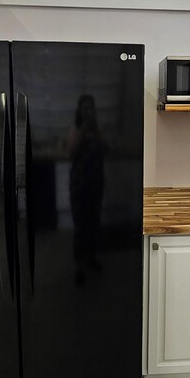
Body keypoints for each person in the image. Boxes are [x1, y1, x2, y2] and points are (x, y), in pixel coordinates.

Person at [68, 94, 106, 277]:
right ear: (79, 110)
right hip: (79, 183)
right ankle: (78, 266)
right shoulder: (76, 128)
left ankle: (91, 258)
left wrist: (96, 131)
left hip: (96, 181)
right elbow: (71, 151)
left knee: (94, 222)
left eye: (90, 108)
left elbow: (106, 148)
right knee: (80, 225)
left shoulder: (97, 129)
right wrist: (83, 129)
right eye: (84, 108)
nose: (88, 111)